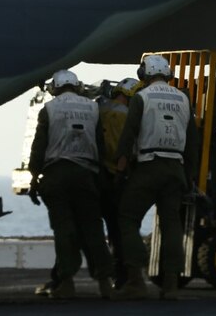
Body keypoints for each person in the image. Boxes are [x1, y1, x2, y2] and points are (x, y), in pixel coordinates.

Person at [116, 54, 198, 300]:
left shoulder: (141, 97)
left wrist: (119, 172)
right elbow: (193, 143)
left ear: (145, 74)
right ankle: (171, 285)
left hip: (148, 167)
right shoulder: (184, 99)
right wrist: (189, 178)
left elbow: (128, 136)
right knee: (172, 223)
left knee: (127, 217)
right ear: (168, 74)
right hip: (176, 169)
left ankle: (135, 280)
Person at [28, 69, 114, 299]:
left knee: (64, 230)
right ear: (76, 87)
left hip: (57, 175)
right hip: (87, 174)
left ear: (55, 88)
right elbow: (100, 145)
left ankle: (66, 283)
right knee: (93, 229)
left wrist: (34, 177)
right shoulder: (93, 108)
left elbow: (38, 147)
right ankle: (105, 282)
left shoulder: (49, 109)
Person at [98, 76, 138, 288]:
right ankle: (121, 276)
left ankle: (104, 277)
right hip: (116, 177)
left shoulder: (101, 109)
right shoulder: (125, 116)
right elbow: (124, 149)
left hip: (98, 175)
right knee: (118, 230)